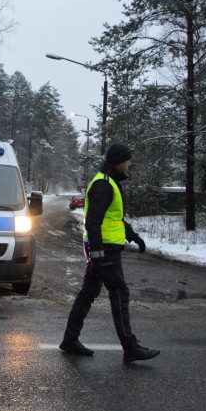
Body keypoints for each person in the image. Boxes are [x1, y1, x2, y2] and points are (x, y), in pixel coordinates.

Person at [59, 143, 160, 362]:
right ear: (118, 161)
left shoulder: (109, 183)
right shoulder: (103, 185)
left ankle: (70, 339)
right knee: (120, 293)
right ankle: (130, 347)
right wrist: (97, 255)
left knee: (88, 293)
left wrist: (132, 236)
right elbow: (93, 223)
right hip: (104, 250)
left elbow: (113, 219)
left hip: (105, 248)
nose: (129, 164)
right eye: (127, 160)